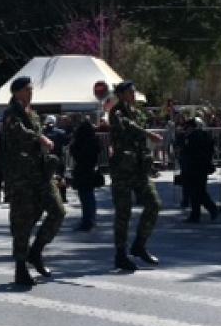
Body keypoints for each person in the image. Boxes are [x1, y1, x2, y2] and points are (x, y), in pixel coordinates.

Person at [1, 76, 65, 288]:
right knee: (22, 222)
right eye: (27, 90)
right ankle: (21, 268)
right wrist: (40, 139)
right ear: (17, 92)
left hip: (41, 174)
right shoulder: (11, 114)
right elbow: (19, 133)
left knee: (57, 211)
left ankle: (35, 252)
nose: (30, 92)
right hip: (22, 178)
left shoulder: (33, 113)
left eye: (31, 89)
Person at [107, 81, 162, 272]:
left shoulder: (138, 113)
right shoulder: (116, 112)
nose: (133, 95)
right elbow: (128, 127)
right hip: (122, 170)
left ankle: (139, 244)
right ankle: (120, 254)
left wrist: (150, 162)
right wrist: (148, 133)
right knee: (124, 213)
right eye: (130, 92)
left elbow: (140, 142)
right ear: (121, 95)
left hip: (139, 169)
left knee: (154, 204)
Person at [180, 118, 219, 223]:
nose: (186, 129)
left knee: (198, 192)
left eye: (187, 127)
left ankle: (212, 209)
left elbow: (189, 152)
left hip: (195, 168)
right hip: (201, 168)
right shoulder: (205, 135)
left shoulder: (194, 137)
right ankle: (195, 214)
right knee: (197, 192)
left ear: (193, 127)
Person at [69, 117, 102, 231]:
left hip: (81, 170)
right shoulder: (94, 140)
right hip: (91, 169)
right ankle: (91, 218)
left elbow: (73, 152)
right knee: (90, 196)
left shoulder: (79, 141)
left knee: (84, 197)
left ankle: (87, 221)